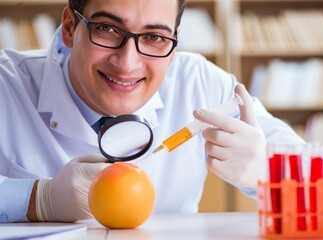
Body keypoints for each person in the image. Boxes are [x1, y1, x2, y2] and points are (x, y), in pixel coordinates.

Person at [0, 0, 304, 223]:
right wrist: (37, 199)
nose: (127, 62)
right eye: (107, 28)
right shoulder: (6, 85)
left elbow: (318, 183)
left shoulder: (202, 84)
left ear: (174, 45)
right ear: (69, 27)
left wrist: (267, 174)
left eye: (155, 37)